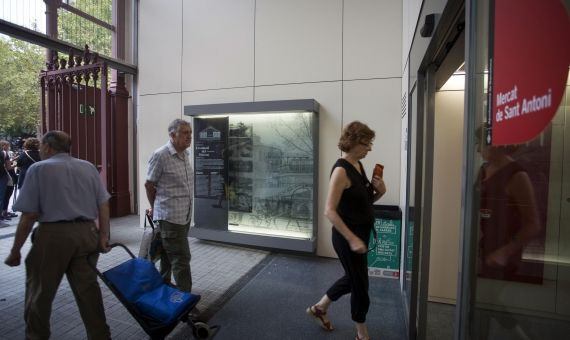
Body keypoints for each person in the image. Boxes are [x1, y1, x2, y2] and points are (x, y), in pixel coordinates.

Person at [4, 131, 112, 340]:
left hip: (52, 236)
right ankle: (100, 336)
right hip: (87, 233)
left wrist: (15, 250)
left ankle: (37, 336)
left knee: (40, 293)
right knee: (89, 292)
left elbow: (29, 216)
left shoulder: (39, 169)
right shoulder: (88, 167)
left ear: (46, 147)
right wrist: (103, 235)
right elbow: (103, 203)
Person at [306, 121, 386, 340]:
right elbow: (329, 211)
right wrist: (352, 239)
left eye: (370, 144)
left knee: (353, 278)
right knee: (360, 285)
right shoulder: (341, 170)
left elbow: (364, 201)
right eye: (366, 143)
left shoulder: (358, 166)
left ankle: (320, 308)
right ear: (353, 142)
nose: (370, 148)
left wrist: (380, 191)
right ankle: (362, 333)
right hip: (346, 237)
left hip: (360, 235)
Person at [145, 118, 194, 292]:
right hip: (170, 216)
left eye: (190, 133)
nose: (189, 137)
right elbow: (149, 185)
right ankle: (186, 302)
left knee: (168, 254)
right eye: (185, 133)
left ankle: (163, 285)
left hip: (184, 215)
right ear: (172, 135)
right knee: (181, 258)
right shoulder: (161, 155)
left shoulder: (184, 154)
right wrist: (156, 207)